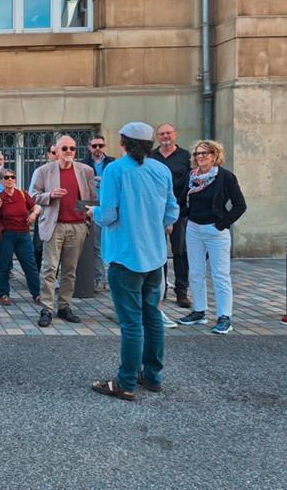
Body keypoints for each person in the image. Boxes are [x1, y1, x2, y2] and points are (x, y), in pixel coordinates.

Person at [90, 122, 179, 401]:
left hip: (125, 255)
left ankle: (126, 382)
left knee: (131, 323)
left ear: (124, 144)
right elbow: (172, 211)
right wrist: (151, 226)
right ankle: (152, 376)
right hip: (154, 256)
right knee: (152, 317)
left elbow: (108, 215)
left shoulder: (115, 170)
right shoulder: (160, 169)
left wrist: (93, 211)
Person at [177, 140, 246, 334]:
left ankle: (225, 316)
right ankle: (199, 311)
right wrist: (184, 214)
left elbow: (240, 205)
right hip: (194, 229)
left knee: (220, 274)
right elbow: (179, 197)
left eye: (205, 153)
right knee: (196, 272)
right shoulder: (190, 177)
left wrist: (221, 224)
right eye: (198, 153)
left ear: (215, 156)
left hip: (216, 231)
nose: (201, 156)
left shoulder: (225, 177)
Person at [30, 135, 96, 327]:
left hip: (77, 226)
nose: (69, 152)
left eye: (72, 149)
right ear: (56, 151)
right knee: (50, 268)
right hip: (54, 225)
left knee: (70, 270)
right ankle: (47, 308)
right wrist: (50, 195)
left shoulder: (86, 171)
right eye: (65, 148)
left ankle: (64, 306)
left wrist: (88, 220)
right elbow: (32, 195)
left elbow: (91, 198)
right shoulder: (43, 171)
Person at [150, 124, 192, 308]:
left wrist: (178, 209)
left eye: (168, 133)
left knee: (180, 252)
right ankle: (162, 289)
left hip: (179, 212)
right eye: (161, 134)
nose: (165, 136)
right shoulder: (151, 156)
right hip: (155, 214)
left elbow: (190, 183)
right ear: (157, 137)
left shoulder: (185, 157)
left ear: (175, 135)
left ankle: (181, 291)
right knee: (159, 252)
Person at [0, 169, 41, 305]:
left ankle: (36, 294)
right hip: (5, 236)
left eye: (12, 177)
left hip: (23, 235)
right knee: (4, 265)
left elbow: (36, 207)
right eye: (6, 177)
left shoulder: (22, 194)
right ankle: (3, 294)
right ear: (1, 181)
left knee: (30, 265)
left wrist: (33, 214)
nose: (10, 179)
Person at [82, 134, 115, 291]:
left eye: (100, 146)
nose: (97, 149)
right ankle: (100, 279)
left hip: (111, 206)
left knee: (113, 244)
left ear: (104, 147)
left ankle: (114, 279)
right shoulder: (83, 164)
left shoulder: (113, 163)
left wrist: (105, 180)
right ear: (89, 147)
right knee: (96, 246)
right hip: (92, 207)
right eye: (94, 146)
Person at [28, 144, 58, 272]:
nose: (57, 155)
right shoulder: (40, 171)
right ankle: (35, 275)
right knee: (38, 247)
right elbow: (32, 194)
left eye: (59, 152)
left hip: (61, 215)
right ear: (48, 154)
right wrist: (37, 211)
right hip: (44, 214)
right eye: (53, 152)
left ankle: (55, 277)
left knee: (57, 249)